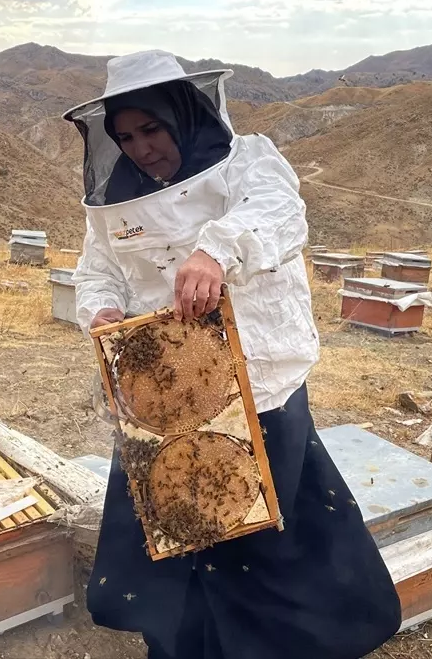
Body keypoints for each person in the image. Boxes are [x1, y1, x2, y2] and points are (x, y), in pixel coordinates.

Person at [64, 50, 401, 659]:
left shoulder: (248, 162)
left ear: (184, 116)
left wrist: (215, 253)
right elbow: (98, 271)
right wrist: (102, 312)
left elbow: (278, 215)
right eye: (126, 137)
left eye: (152, 129)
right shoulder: (113, 202)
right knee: (175, 532)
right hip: (163, 396)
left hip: (261, 387)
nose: (141, 148)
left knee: (262, 537)